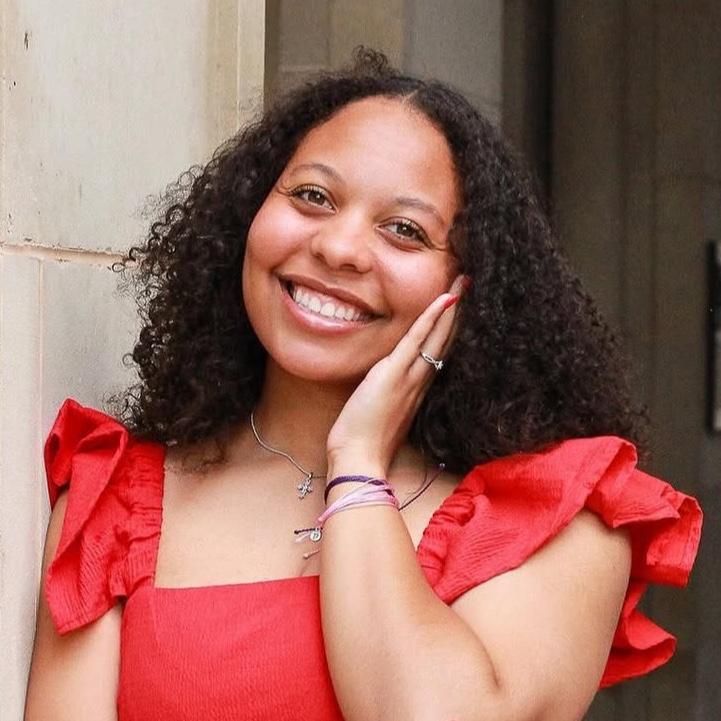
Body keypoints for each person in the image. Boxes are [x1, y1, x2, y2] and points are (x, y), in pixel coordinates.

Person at [24, 48, 702, 721]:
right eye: (312, 196)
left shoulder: (554, 518)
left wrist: (356, 465)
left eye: (405, 231)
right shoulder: (118, 503)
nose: (339, 247)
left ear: (475, 287)